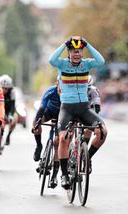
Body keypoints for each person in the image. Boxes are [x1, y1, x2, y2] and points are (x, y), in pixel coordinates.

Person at [48, 36, 108, 189]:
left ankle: (86, 158)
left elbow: (101, 61)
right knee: (63, 138)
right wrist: (64, 44)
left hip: (84, 108)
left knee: (103, 132)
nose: (77, 54)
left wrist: (87, 43)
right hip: (67, 108)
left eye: (79, 51)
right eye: (74, 51)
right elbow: (51, 60)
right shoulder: (62, 64)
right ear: (69, 53)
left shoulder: (86, 64)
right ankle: (64, 175)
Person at [31, 79, 61, 188]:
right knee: (36, 123)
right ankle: (39, 146)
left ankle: (54, 176)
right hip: (49, 112)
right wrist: (37, 124)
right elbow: (41, 108)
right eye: (60, 84)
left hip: (61, 117)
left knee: (57, 143)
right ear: (57, 83)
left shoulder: (68, 94)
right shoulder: (50, 91)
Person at [0, 74, 17, 148]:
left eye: (6, 88)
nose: (4, 90)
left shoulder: (12, 92)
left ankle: (9, 135)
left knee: (14, 119)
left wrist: (11, 116)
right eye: (2, 88)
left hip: (8, 110)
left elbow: (13, 105)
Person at [83, 75, 101, 144]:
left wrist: (96, 116)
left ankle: (84, 147)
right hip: (78, 109)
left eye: (88, 87)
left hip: (88, 110)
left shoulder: (93, 90)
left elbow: (97, 104)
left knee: (89, 130)